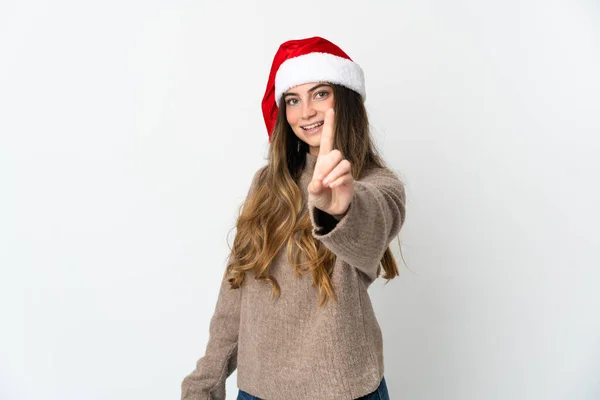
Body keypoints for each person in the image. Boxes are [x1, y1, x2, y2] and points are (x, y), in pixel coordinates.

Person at [181, 36, 406, 400]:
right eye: (292, 100)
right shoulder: (267, 185)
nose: (306, 113)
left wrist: (340, 208)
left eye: (320, 94)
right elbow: (237, 291)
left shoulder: (376, 185)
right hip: (257, 392)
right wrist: (205, 381)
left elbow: (375, 221)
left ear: (345, 99)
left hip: (344, 392)